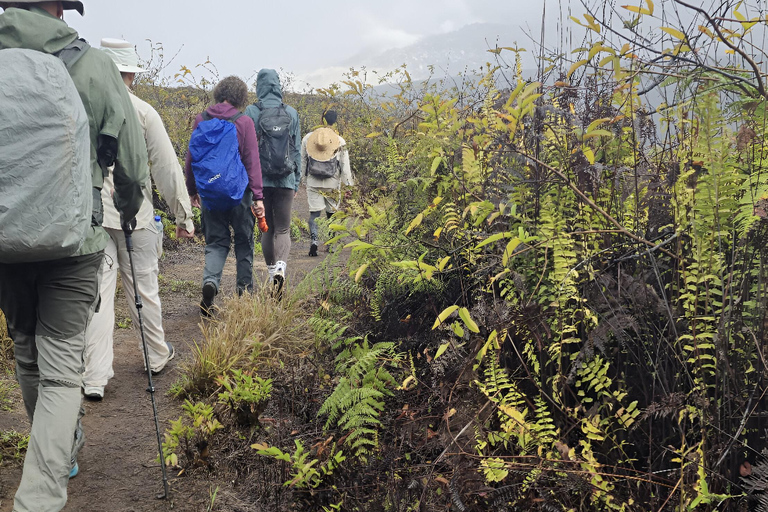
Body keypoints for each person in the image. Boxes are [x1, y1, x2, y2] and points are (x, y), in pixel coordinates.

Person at [0, 2, 148, 510]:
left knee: (26, 348)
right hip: (74, 240)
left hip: (4, 240)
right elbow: (131, 164)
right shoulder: (94, 65)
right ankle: (39, 497)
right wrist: (126, 210)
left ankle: (59, 446)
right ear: (61, 6)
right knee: (63, 368)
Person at [80, 38, 196, 400]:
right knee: (144, 287)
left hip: (93, 217)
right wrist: (183, 216)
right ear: (130, 74)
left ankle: (94, 376)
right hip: (137, 217)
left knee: (98, 294)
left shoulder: (84, 108)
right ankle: (156, 356)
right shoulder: (144, 112)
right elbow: (166, 167)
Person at [185, 76, 264, 315]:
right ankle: (244, 296)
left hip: (210, 193)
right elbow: (252, 161)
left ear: (219, 93)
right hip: (239, 194)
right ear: (241, 97)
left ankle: (210, 283)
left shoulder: (201, 119)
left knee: (216, 243)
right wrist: (258, 196)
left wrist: (192, 190)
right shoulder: (244, 122)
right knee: (244, 243)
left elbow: (191, 159)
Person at [244, 69, 301, 291]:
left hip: (261, 181)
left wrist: (248, 182)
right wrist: (296, 181)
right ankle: (281, 267)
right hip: (286, 179)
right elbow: (296, 151)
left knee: (266, 229)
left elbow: (246, 150)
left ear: (259, 86)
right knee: (283, 229)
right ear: (278, 86)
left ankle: (271, 274)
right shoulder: (291, 113)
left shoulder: (251, 112)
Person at [301, 110, 354, 256]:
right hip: (333, 183)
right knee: (332, 215)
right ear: (335, 122)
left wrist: (303, 179)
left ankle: (314, 242)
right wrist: (348, 186)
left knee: (314, 214)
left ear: (322, 120)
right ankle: (330, 244)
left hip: (313, 182)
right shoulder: (340, 140)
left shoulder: (308, 138)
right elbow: (345, 165)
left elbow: (303, 161)